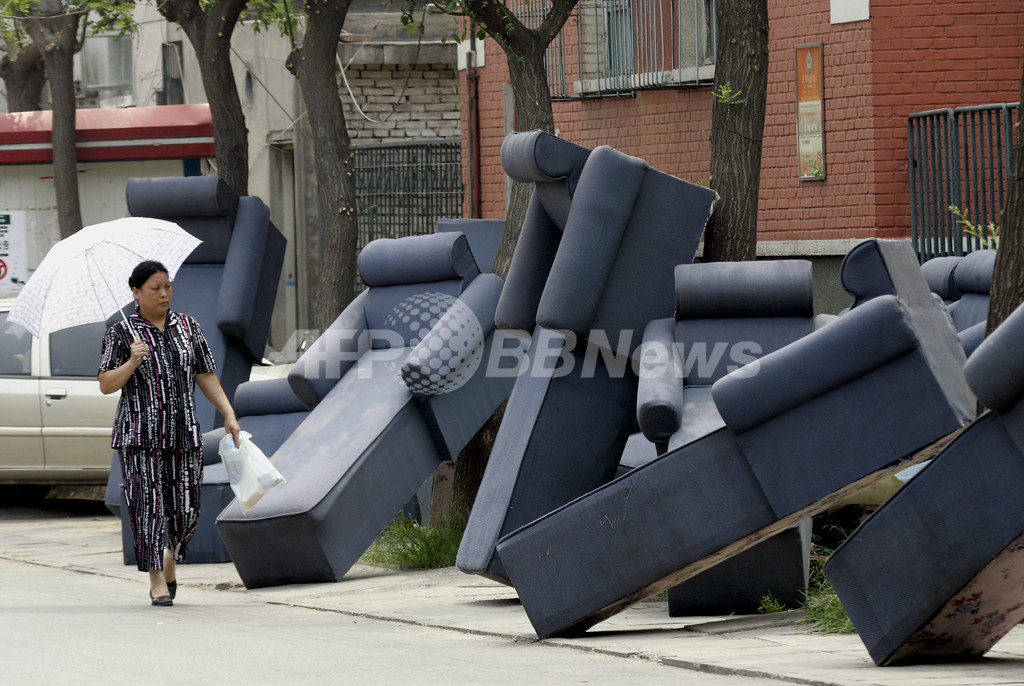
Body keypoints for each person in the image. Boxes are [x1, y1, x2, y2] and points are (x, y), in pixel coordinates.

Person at [98, 260, 240, 607]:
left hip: (183, 433)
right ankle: (156, 580)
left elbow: (205, 375)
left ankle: (170, 560)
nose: (164, 294)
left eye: (167, 286)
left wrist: (228, 412)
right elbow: (105, 384)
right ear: (136, 292)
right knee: (146, 508)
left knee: (187, 509)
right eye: (155, 288)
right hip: (138, 437)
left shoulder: (188, 327)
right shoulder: (121, 333)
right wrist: (131, 363)